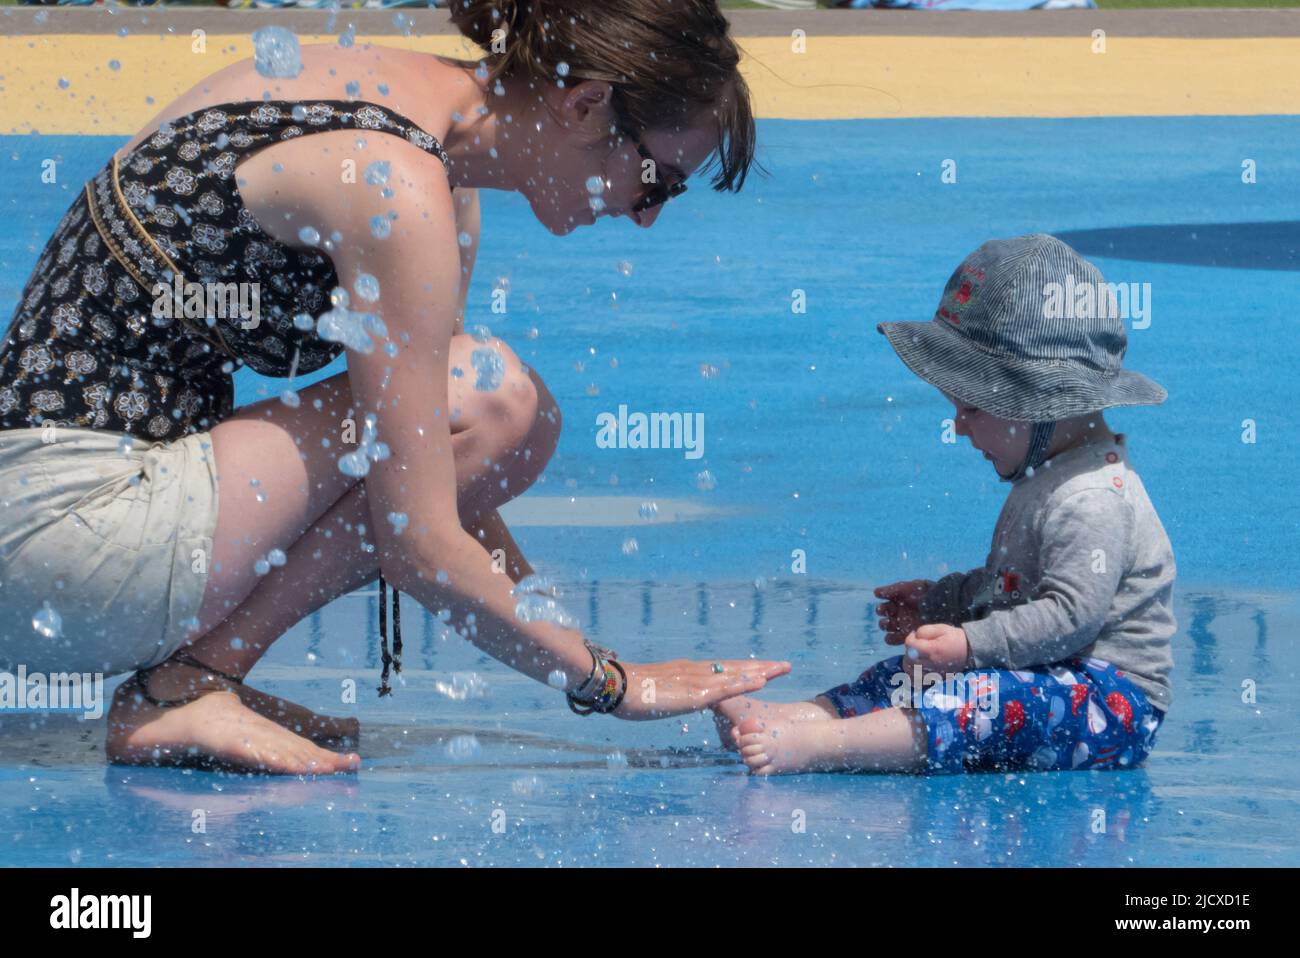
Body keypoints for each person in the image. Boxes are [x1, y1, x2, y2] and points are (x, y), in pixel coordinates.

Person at [0, 0, 790, 774]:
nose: (646, 217)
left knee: (492, 408)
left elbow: (440, 468)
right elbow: (424, 538)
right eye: (660, 180)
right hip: (76, 544)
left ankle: (195, 678)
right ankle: (184, 686)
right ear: (585, 104)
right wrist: (613, 683)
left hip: (42, 531)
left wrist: (558, 627)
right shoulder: (397, 187)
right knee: (506, 400)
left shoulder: (393, 109)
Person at [713, 233, 1174, 775]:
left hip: (1107, 703)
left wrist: (969, 643)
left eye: (974, 407)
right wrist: (943, 603)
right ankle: (800, 715)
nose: (957, 427)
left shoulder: (1093, 498)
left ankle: (824, 744)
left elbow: (1070, 618)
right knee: (909, 673)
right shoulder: (1048, 474)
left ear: (1043, 403)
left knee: (975, 694)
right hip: (1037, 674)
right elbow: (1013, 588)